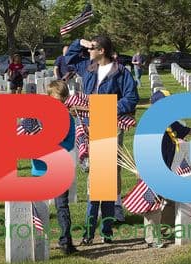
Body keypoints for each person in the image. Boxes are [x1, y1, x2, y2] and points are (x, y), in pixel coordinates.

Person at [65, 35, 139, 245]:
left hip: (108, 126)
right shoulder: (87, 68)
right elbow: (69, 58)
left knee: (103, 185)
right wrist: (80, 42)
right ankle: (90, 232)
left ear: (103, 51)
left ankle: (104, 231)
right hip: (87, 128)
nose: (89, 51)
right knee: (94, 183)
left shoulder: (121, 72)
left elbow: (131, 98)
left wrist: (108, 109)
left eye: (93, 48)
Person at [144, 90, 191, 247]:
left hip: (169, 167)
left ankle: (163, 229)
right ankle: (152, 239)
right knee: (153, 203)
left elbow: (188, 131)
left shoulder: (170, 123)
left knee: (171, 200)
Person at [31, 80, 77, 255]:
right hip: (39, 168)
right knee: (37, 207)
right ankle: (37, 240)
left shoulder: (68, 118)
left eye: (62, 101)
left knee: (62, 206)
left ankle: (66, 241)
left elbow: (69, 142)